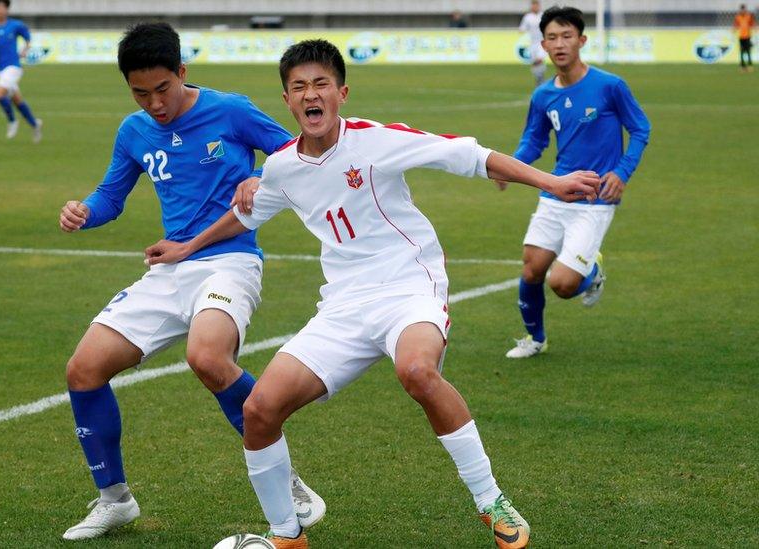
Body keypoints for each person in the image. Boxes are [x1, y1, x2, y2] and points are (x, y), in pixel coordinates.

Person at [145, 39, 602, 549]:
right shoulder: (279, 168)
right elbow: (245, 216)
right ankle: (287, 537)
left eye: (321, 84)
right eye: (299, 87)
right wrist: (189, 246)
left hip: (410, 286)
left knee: (417, 371)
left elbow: (471, 157)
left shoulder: (373, 140)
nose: (310, 95)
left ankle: (490, 499)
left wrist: (551, 182)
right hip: (342, 306)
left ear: (341, 93)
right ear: (287, 101)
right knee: (259, 410)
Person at [56, 22, 324, 541]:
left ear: (182, 71)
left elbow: (301, 155)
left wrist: (259, 176)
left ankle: (287, 482)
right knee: (83, 369)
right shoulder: (133, 131)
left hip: (230, 263)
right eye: (140, 93)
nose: (154, 103)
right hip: (168, 269)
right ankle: (115, 500)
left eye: (163, 88)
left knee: (207, 358)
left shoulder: (231, 110)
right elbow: (111, 196)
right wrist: (84, 211)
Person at [498, 6, 650, 359]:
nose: (560, 44)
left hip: (596, 198)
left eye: (567, 36)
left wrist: (622, 173)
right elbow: (534, 142)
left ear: (581, 40)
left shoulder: (610, 86)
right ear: (544, 44)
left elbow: (641, 129)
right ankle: (535, 339)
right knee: (532, 267)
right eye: (552, 37)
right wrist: (510, 166)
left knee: (563, 285)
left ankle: (592, 270)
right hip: (557, 191)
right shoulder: (543, 96)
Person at [0, 0, 41, 141]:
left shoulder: (15, 25)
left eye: (3, 7)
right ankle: (35, 124)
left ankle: (12, 121)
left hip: (13, 67)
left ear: (7, 9)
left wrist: (25, 49)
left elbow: (28, 38)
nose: (0, 10)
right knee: (17, 100)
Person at [519, 1, 546, 86]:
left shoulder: (543, 16)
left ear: (539, 6)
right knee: (535, 63)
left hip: (542, 42)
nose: (535, 7)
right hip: (533, 43)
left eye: (536, 5)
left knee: (539, 60)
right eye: (533, 5)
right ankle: (538, 79)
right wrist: (521, 30)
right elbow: (522, 28)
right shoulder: (528, 17)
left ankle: (541, 79)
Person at [734, 4, 755, 72]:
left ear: (745, 9)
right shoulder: (738, 17)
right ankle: (742, 66)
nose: (743, 10)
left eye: (744, 9)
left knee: (748, 51)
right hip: (741, 37)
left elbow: (752, 24)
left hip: (747, 36)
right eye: (742, 9)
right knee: (742, 52)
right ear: (740, 10)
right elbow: (736, 25)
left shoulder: (749, 16)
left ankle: (750, 65)